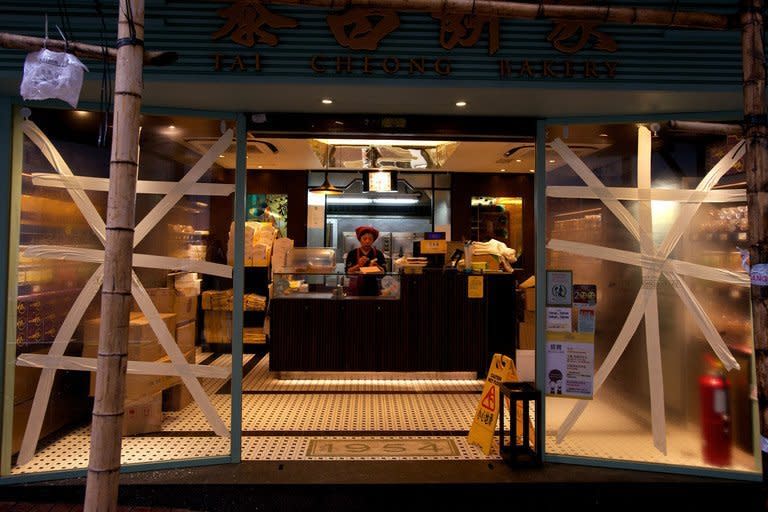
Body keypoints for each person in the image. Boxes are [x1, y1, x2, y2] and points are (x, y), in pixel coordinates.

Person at [345, 225, 386, 296]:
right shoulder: (352, 253)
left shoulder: (378, 254)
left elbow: (384, 273)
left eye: (370, 239)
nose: (367, 241)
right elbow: (347, 273)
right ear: (360, 239)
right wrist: (358, 265)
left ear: (373, 240)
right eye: (364, 239)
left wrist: (377, 266)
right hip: (356, 289)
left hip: (373, 289)